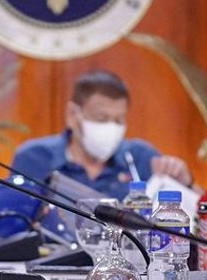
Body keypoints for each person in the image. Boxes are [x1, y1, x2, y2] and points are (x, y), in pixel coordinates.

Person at [11, 69, 195, 200]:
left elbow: (200, 213)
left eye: (119, 120)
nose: (111, 128)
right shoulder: (34, 157)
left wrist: (186, 183)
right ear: (73, 115)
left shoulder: (141, 157)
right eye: (101, 119)